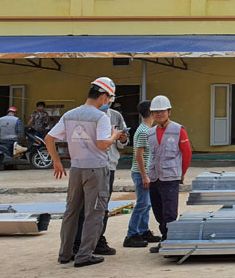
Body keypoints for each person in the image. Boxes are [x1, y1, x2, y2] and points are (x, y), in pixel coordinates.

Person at [44, 77, 124, 268]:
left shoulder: (70, 114)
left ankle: (65, 253)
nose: (108, 103)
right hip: (96, 169)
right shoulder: (100, 117)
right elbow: (103, 144)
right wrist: (115, 136)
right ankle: (84, 255)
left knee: (71, 211)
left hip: (76, 168)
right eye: (109, 99)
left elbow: (49, 138)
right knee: (94, 213)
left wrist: (56, 161)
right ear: (104, 97)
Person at [73, 95, 129, 256]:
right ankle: (78, 242)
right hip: (87, 165)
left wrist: (123, 139)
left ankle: (97, 240)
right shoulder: (84, 115)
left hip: (107, 166)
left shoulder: (116, 116)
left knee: (101, 207)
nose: (106, 103)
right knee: (83, 207)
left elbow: (121, 142)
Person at [146, 95, 192, 254]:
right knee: (158, 211)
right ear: (151, 114)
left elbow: (187, 154)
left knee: (169, 212)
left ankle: (170, 241)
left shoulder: (179, 130)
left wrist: (182, 173)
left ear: (169, 112)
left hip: (171, 177)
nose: (159, 114)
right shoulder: (150, 133)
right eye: (155, 112)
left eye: (162, 111)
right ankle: (164, 238)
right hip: (155, 177)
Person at [124, 100, 160, 248]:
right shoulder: (143, 131)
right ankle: (131, 234)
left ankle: (143, 231)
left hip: (145, 173)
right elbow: (138, 155)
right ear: (151, 113)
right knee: (142, 204)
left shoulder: (148, 130)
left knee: (147, 204)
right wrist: (144, 175)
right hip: (141, 173)